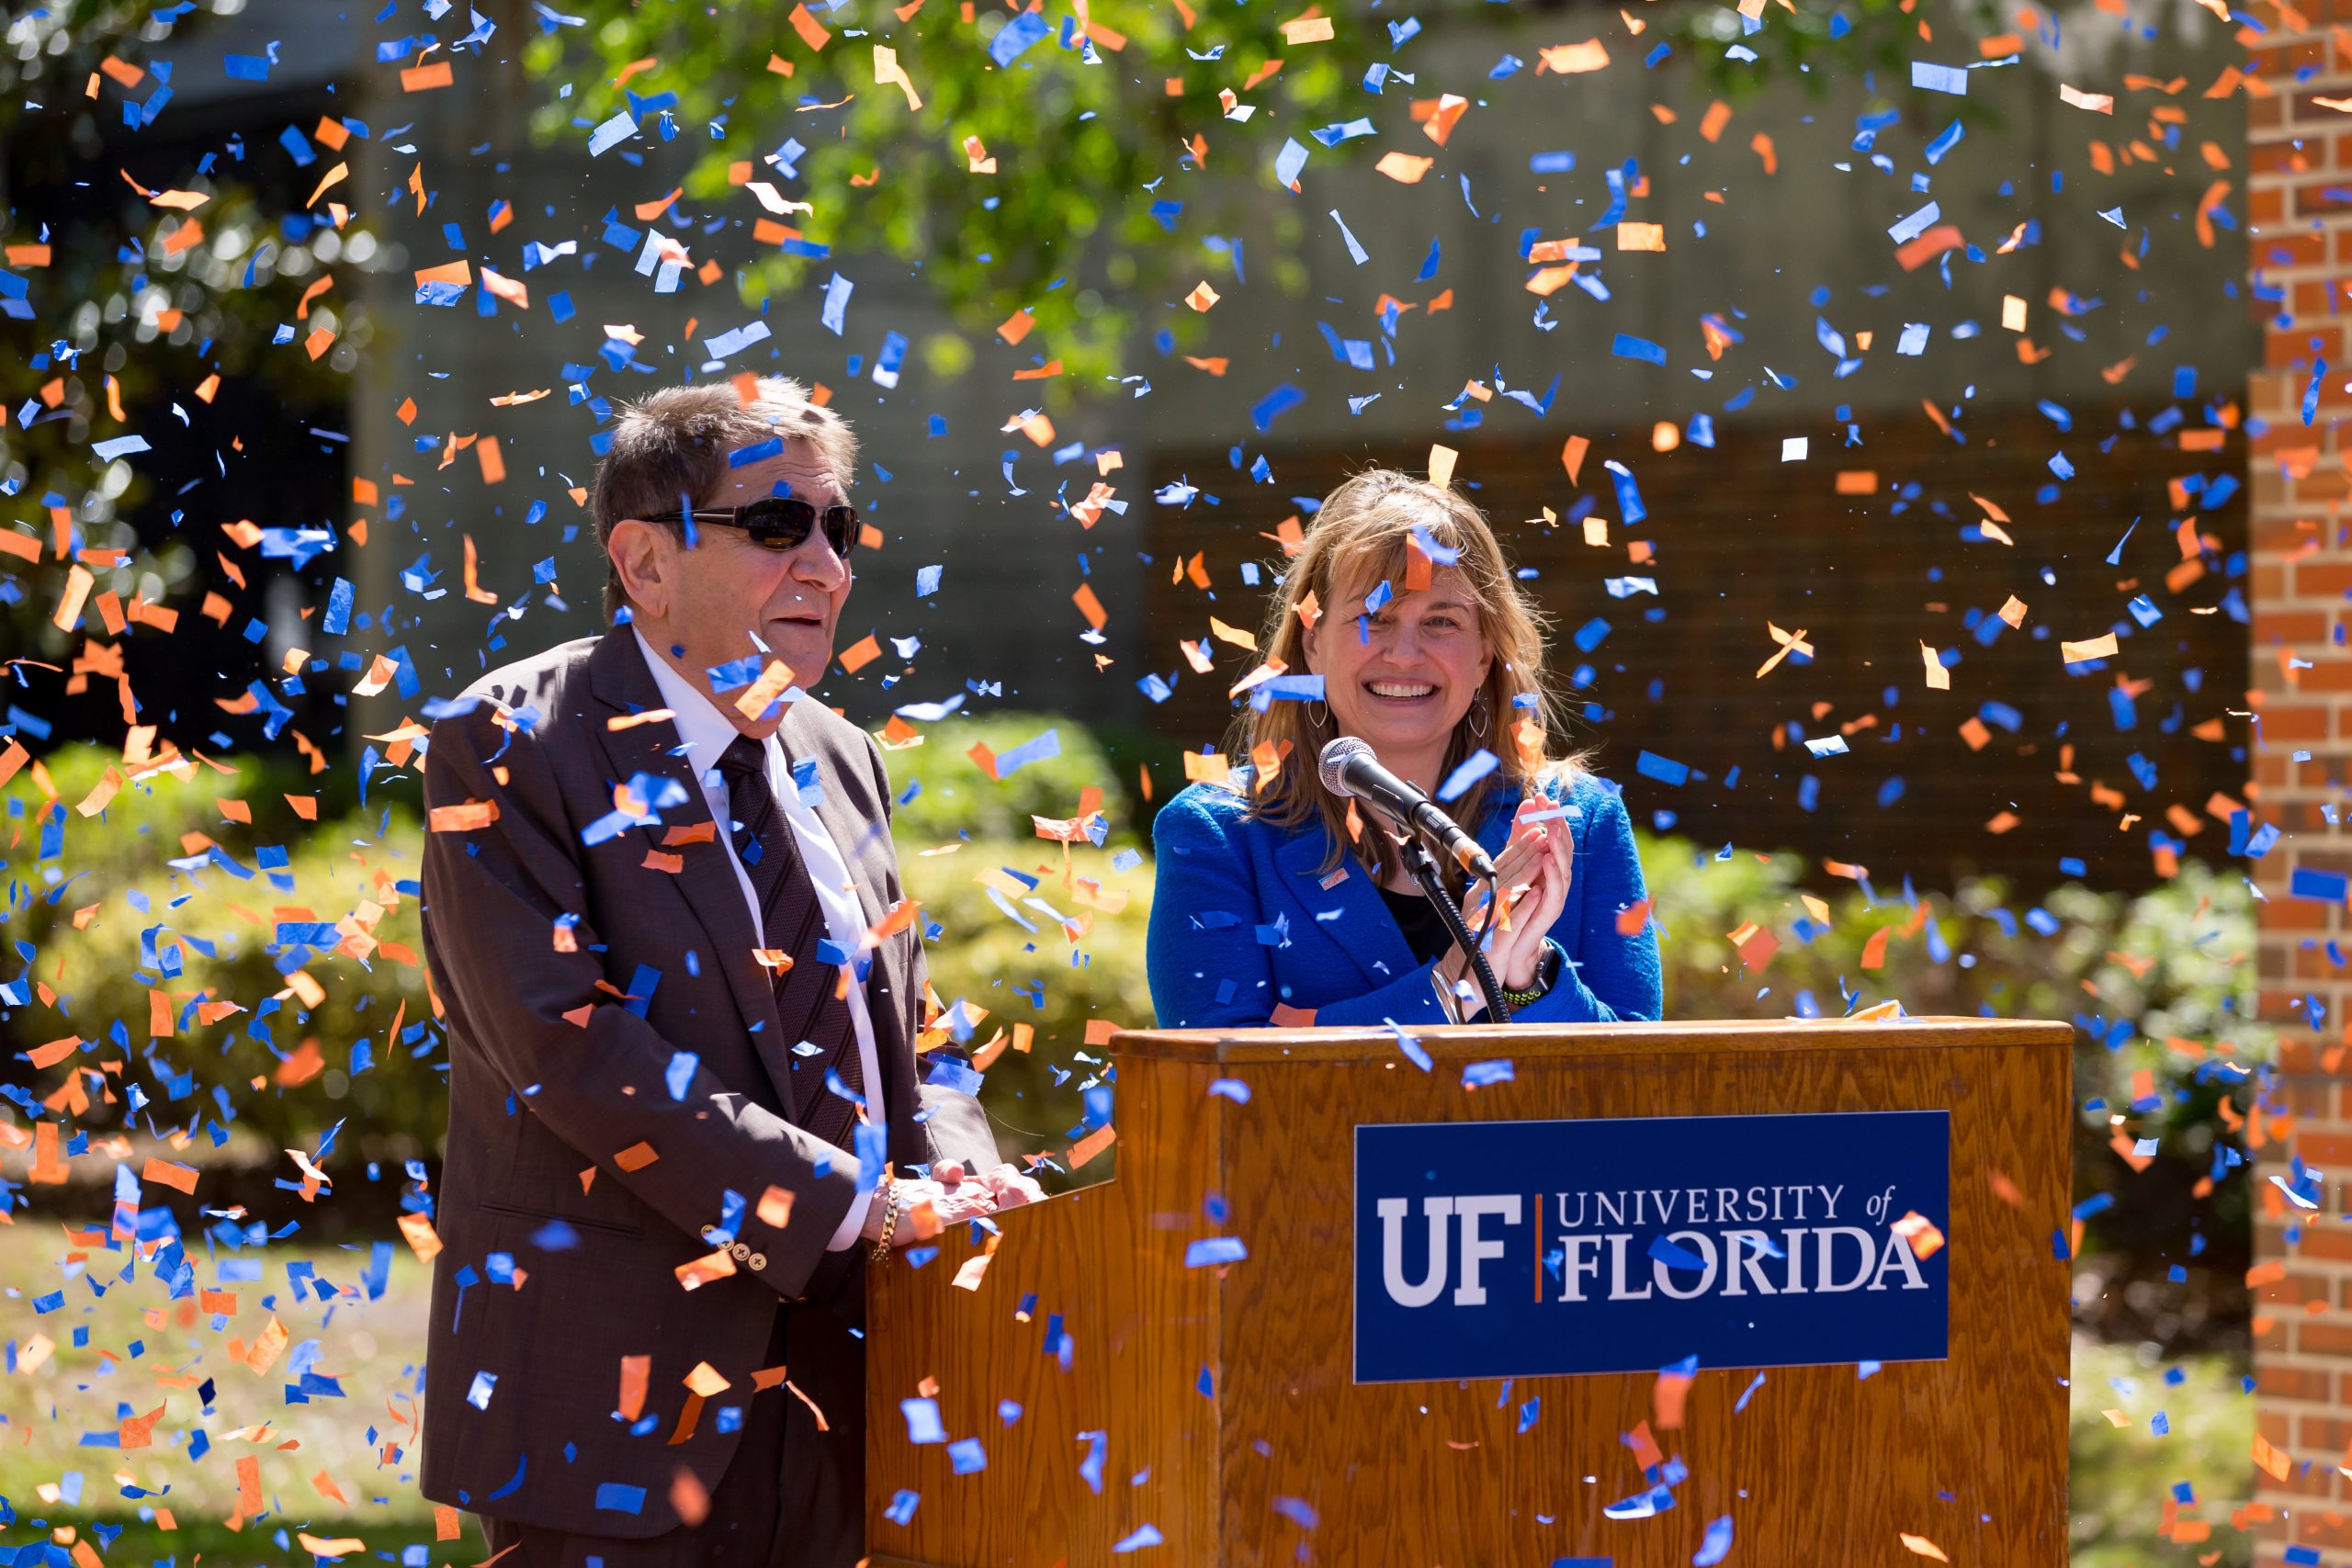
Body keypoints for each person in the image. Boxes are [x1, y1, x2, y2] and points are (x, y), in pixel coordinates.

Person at [416, 375, 1041, 1567]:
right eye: (777, 525)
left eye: (838, 526)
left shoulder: (843, 752)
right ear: (645, 563)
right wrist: (857, 1203)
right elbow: (571, 1043)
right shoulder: (511, 744)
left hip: (862, 1399)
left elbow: (903, 1025)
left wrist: (958, 1175)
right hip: (617, 1412)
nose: (826, 564)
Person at [1147, 467, 1663, 1029]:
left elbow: (1640, 1085)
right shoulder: (1219, 833)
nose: (1404, 653)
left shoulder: (1579, 820)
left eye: (1441, 621)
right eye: (1374, 617)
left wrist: (1525, 980)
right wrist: (1457, 985)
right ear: (1313, 642)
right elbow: (1220, 1080)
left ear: (1485, 653)